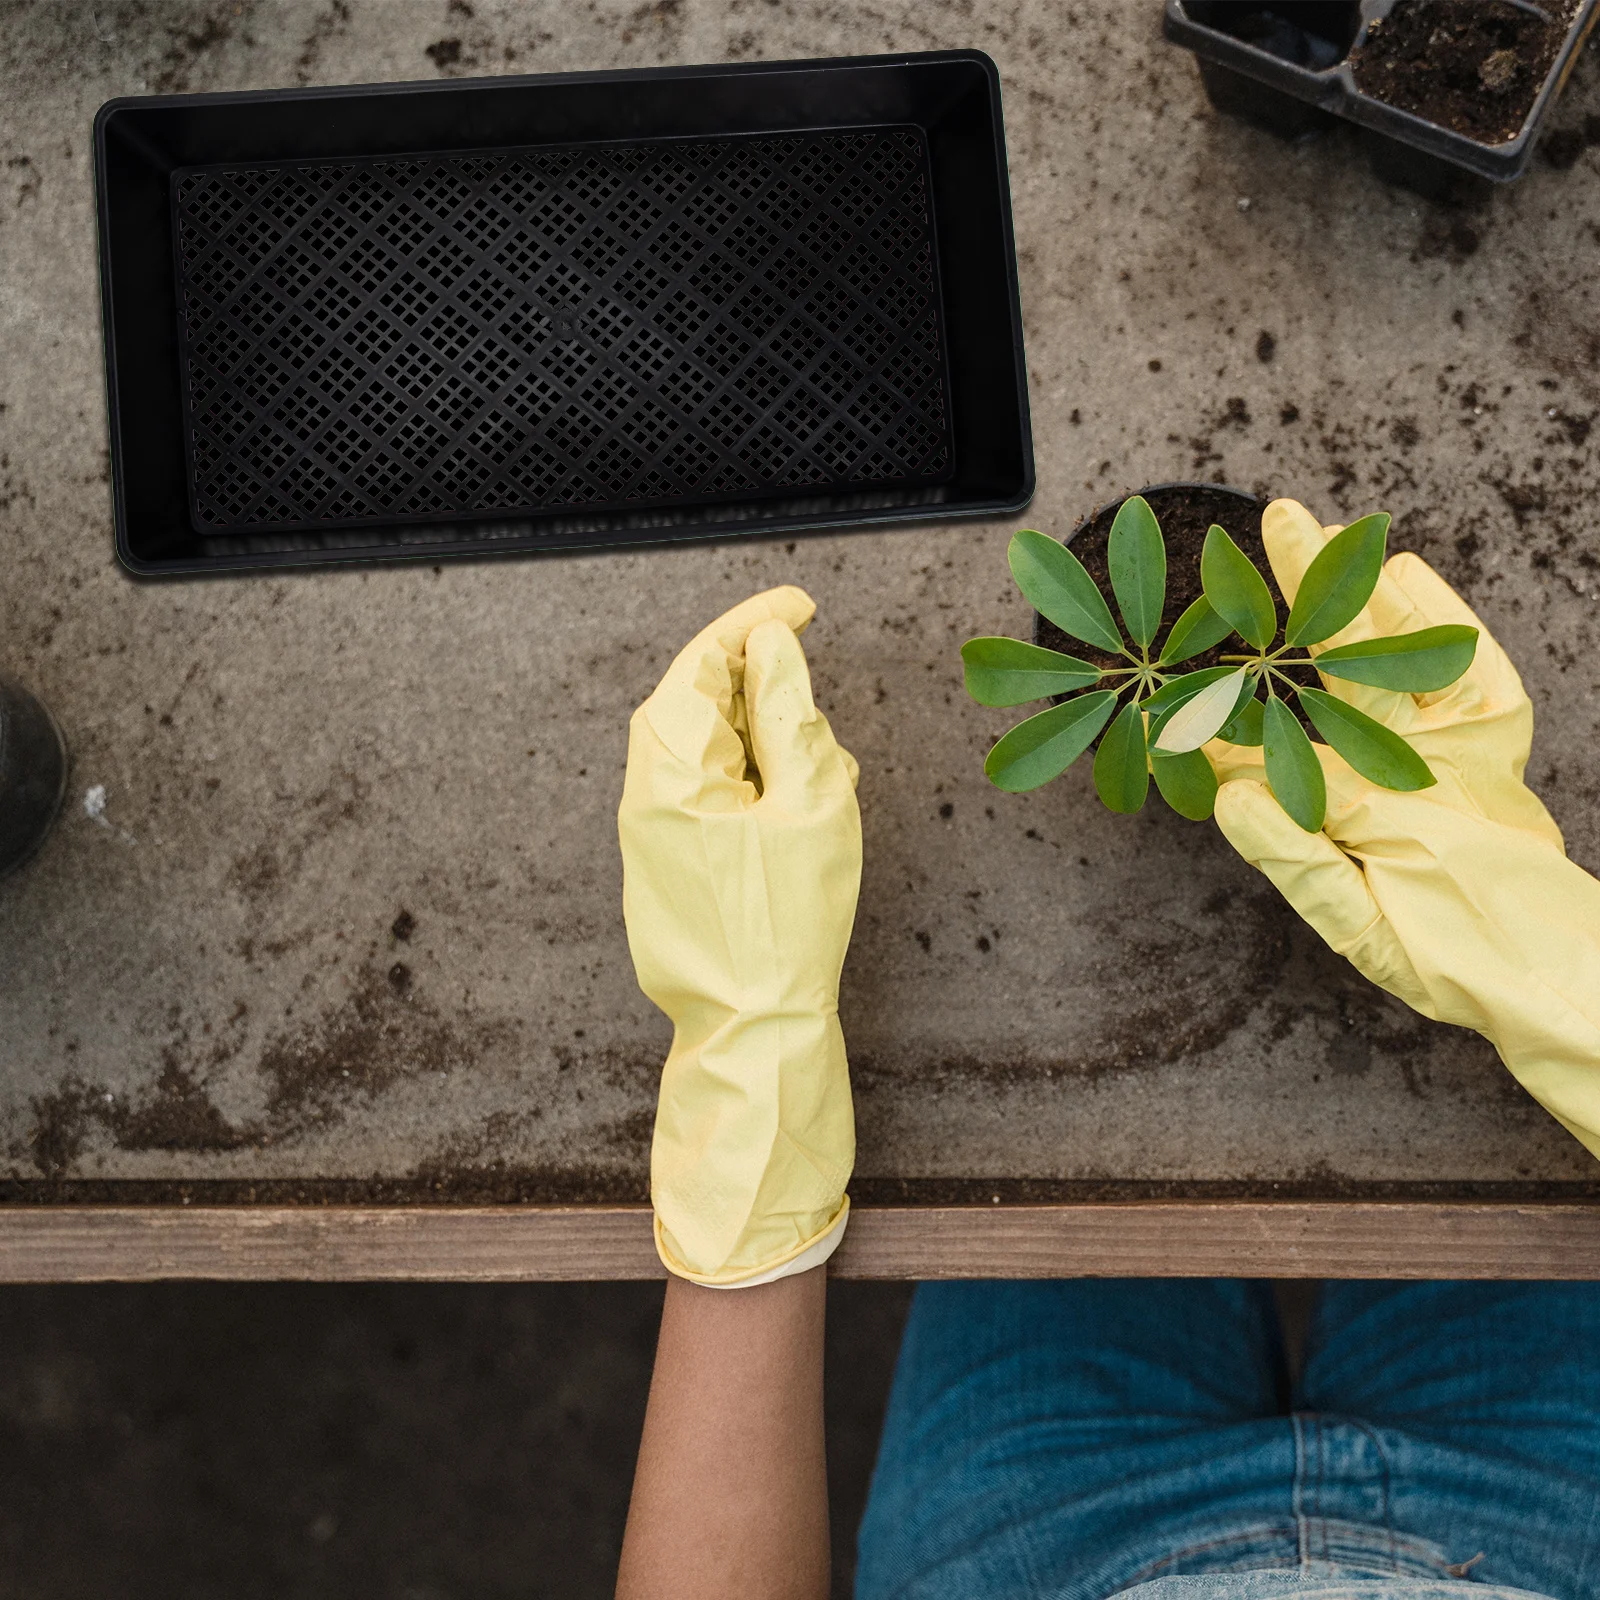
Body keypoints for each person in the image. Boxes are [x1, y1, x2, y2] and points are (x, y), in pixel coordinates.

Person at [610, 503, 1600, 1600]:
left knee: (1041, 1177)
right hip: (1570, 1530)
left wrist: (748, 1086)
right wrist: (1563, 980)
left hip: (1036, 1549)